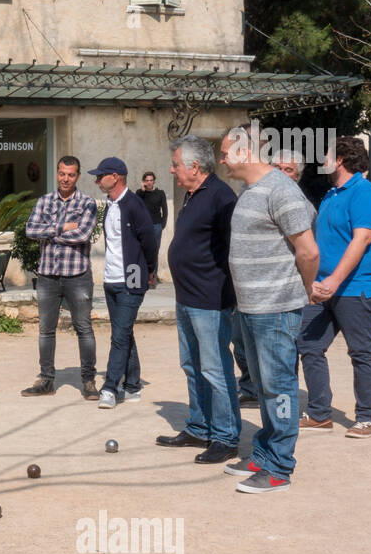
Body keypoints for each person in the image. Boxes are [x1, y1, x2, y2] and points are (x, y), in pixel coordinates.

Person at [221, 123, 319, 494]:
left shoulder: (281, 190)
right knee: (262, 386)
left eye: (226, 151)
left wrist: (308, 290)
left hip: (276, 308)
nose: (222, 159)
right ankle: (263, 454)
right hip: (250, 308)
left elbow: (308, 250)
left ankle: (279, 467)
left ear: (245, 152)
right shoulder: (251, 190)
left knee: (279, 387)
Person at [156, 136, 241, 464]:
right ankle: (199, 426)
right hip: (186, 297)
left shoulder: (221, 197)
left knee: (215, 368)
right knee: (192, 365)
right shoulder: (192, 195)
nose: (172, 169)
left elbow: (233, 249)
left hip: (210, 301)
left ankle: (226, 436)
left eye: (176, 164)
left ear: (194, 166)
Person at [297, 136, 371, 439]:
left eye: (327, 155)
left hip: (354, 288)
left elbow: (362, 239)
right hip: (322, 289)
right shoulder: (331, 194)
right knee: (308, 346)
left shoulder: (363, 192)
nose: (323, 160)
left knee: (361, 352)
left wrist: (334, 280)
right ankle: (320, 413)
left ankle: (366, 417)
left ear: (342, 159)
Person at [21, 155, 99, 400]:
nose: (66, 179)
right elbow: (30, 230)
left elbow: (83, 235)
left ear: (77, 176)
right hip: (47, 276)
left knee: (84, 328)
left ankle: (88, 381)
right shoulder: (44, 201)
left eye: (71, 174)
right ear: (57, 174)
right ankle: (46, 379)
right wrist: (63, 227)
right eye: (62, 174)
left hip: (78, 275)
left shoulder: (87, 203)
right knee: (46, 330)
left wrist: (50, 232)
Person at [89, 157, 158, 408]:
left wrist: (149, 270)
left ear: (115, 177)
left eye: (100, 176)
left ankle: (110, 387)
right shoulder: (109, 205)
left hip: (131, 277)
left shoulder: (134, 205)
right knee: (124, 333)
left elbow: (150, 241)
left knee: (118, 335)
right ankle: (132, 386)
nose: (96, 180)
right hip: (110, 279)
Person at [137, 170, 169, 244]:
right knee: (143, 248)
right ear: (144, 181)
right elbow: (137, 207)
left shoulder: (160, 193)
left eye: (151, 180)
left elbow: (165, 210)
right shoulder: (139, 193)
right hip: (143, 225)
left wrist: (162, 225)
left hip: (156, 225)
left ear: (154, 181)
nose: (149, 182)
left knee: (155, 249)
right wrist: (142, 191)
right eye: (147, 180)